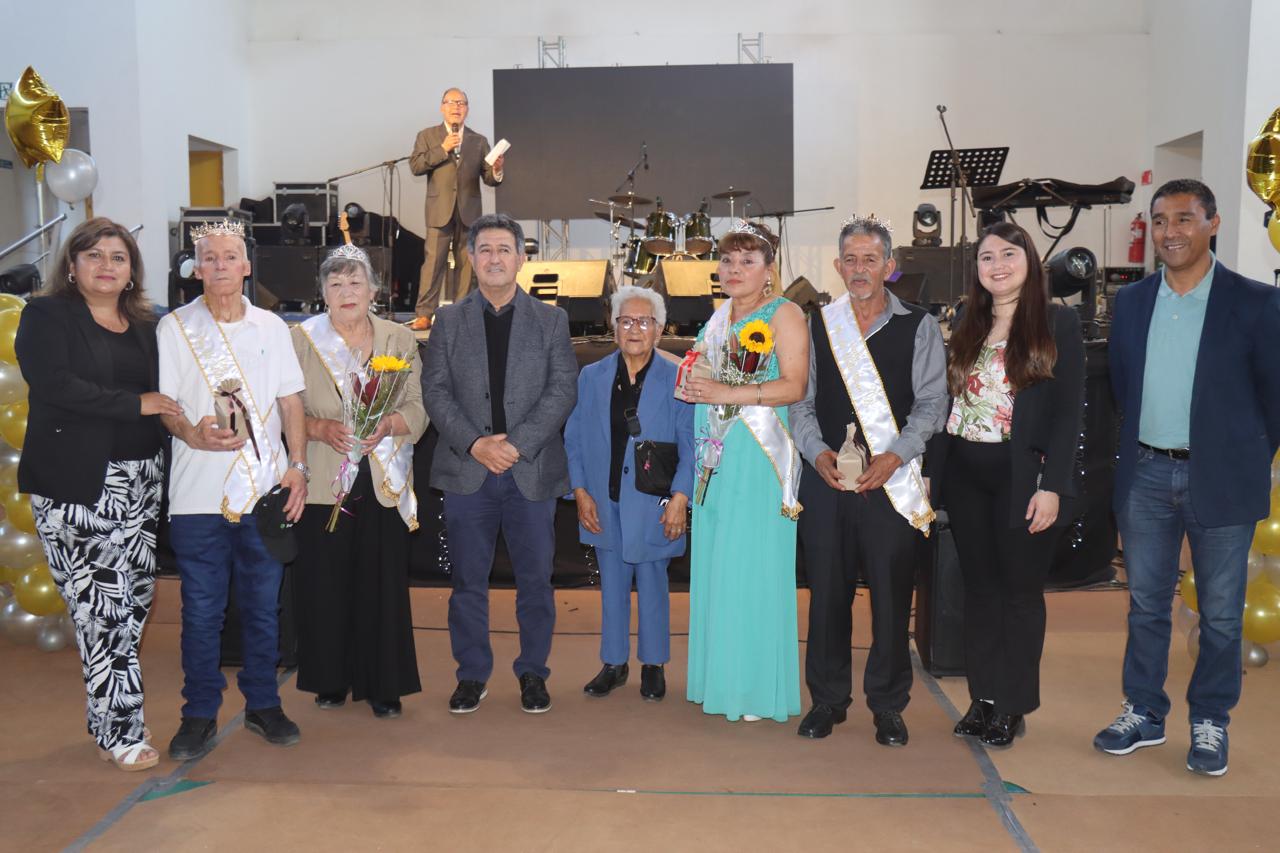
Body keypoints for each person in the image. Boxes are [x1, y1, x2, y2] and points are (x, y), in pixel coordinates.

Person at [1093, 179, 1280, 777]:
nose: (1171, 232)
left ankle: (1210, 720)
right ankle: (1144, 711)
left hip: (1223, 477)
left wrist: (1239, 452)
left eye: (1184, 218)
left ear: (1213, 224)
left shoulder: (1254, 302)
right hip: (1146, 472)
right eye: (1161, 220)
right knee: (1146, 605)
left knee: (1222, 613)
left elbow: (1274, 399)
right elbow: (1123, 386)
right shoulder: (1133, 302)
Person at [16, 218, 182, 771]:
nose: (106, 265)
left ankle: (103, 715)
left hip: (140, 482)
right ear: (72, 264)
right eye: (94, 255)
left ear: (132, 270)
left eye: (118, 257)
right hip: (77, 486)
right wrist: (136, 404)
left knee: (131, 607)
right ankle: (122, 731)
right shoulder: (47, 315)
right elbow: (56, 385)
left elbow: (169, 395)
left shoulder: (145, 324)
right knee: (103, 610)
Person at [790, 214, 947, 746]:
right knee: (827, 595)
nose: (859, 270)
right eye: (850, 260)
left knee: (890, 594)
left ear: (891, 268)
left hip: (891, 484)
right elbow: (800, 404)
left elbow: (931, 405)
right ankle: (828, 701)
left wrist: (897, 455)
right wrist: (816, 455)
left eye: (870, 260)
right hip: (827, 482)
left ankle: (888, 705)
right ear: (837, 266)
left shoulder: (919, 326)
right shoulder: (816, 325)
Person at [157, 219, 309, 761]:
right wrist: (190, 431)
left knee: (263, 609)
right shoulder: (174, 328)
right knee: (200, 611)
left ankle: (264, 705)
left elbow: (292, 402)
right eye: (210, 257)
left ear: (247, 266)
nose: (220, 265)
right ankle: (198, 713)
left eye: (230, 256)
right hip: (197, 495)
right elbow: (169, 407)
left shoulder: (273, 327)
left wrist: (298, 467)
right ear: (196, 269)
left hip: (264, 493)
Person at [930, 221, 1085, 749]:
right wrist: (934, 474)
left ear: (1029, 260)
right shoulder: (966, 321)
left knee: (1019, 595)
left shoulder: (1057, 323)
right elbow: (950, 404)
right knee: (980, 592)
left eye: (1007, 254)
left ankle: (1013, 705)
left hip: (1023, 478)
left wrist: (1053, 486)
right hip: (966, 475)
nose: (996, 264)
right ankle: (984, 698)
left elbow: (1068, 415)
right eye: (986, 257)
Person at [421, 213, 576, 714]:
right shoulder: (447, 321)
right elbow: (436, 392)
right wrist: (475, 444)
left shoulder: (552, 320)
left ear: (521, 258)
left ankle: (533, 672)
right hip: (468, 473)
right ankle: (471, 675)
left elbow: (562, 391)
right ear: (470, 258)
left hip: (530, 472)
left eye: (503, 249)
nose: (493, 258)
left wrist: (517, 444)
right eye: (484, 249)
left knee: (535, 582)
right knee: (467, 583)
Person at [291, 244, 428, 719]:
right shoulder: (300, 340)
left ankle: (382, 683)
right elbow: (284, 411)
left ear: (374, 290)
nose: (346, 292)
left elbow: (418, 408)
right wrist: (320, 429)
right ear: (322, 294)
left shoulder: (398, 339)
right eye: (335, 284)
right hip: (325, 478)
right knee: (325, 583)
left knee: (382, 582)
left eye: (355, 282)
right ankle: (330, 677)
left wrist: (388, 424)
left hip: (381, 477)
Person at [680, 219, 809, 723]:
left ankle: (753, 688)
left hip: (758, 460)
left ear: (769, 270)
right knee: (719, 566)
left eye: (747, 261)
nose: (734, 270)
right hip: (718, 459)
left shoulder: (787, 314)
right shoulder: (717, 318)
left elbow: (794, 385)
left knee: (752, 567)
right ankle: (722, 679)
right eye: (728, 260)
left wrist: (726, 393)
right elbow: (704, 376)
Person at [564, 285, 695, 701]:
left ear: (659, 329)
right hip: (605, 499)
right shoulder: (592, 376)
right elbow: (575, 439)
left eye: (644, 321)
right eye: (625, 321)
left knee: (654, 581)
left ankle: (653, 664)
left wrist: (680, 497)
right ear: (613, 326)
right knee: (612, 584)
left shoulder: (679, 378)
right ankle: (614, 663)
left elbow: (694, 444)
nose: (634, 329)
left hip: (655, 502)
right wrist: (580, 491)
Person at [408, 87, 506, 331]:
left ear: (467, 109)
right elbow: (416, 166)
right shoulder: (428, 136)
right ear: (442, 107)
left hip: (469, 211)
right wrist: (443, 149)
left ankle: (462, 314)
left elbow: (489, 178)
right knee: (433, 263)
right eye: (451, 102)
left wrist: (497, 169)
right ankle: (424, 314)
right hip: (439, 210)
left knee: (466, 265)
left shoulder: (478, 140)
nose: (456, 107)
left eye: (461, 103)